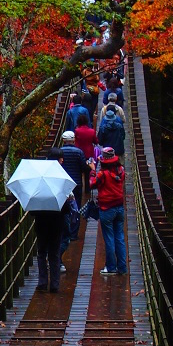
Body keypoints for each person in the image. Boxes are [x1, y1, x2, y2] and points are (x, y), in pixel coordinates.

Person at [31, 147, 72, 293]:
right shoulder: (59, 178)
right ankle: (54, 284)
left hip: (41, 222)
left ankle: (42, 282)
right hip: (57, 222)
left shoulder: (38, 178)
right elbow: (66, 209)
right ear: (59, 159)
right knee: (54, 253)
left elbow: (32, 211)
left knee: (41, 252)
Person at [90, 147, 127, 275]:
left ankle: (111, 267)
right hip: (119, 207)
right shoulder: (121, 171)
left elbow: (92, 184)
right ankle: (122, 267)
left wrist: (93, 171)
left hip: (106, 208)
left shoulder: (102, 174)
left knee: (109, 238)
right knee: (120, 237)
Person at [60, 130, 86, 209]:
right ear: (74, 140)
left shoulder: (60, 152)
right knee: (77, 205)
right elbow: (83, 167)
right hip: (76, 182)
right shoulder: (79, 152)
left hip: (63, 183)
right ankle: (76, 220)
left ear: (63, 140)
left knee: (64, 205)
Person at [73, 114, 96, 194]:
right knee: (88, 172)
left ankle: (79, 188)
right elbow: (96, 141)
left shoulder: (76, 131)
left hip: (78, 154)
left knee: (78, 171)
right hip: (88, 154)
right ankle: (87, 189)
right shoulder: (92, 131)